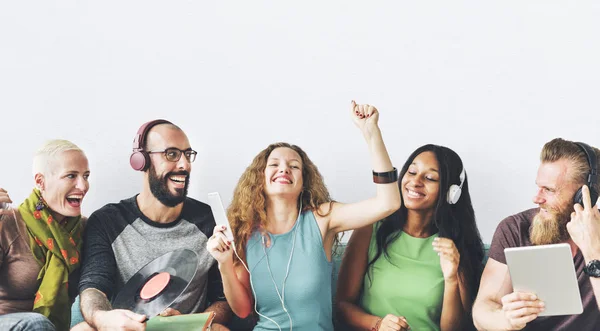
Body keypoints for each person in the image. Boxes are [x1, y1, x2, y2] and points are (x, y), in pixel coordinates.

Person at [207, 101, 402, 331]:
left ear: (304, 182)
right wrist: (224, 264)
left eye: (294, 166)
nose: (284, 169)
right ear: (260, 178)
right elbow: (242, 310)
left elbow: (388, 203)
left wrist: (372, 134)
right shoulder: (244, 231)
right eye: (274, 164)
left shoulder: (323, 219)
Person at [78, 120, 231, 331]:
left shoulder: (209, 221)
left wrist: (190, 324)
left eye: (187, 155)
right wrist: (103, 319)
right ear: (141, 161)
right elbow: (94, 286)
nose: (184, 165)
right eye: (171, 154)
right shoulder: (107, 221)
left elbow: (223, 299)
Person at [336, 144, 485, 331]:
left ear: (451, 193)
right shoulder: (370, 228)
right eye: (412, 172)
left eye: (430, 177)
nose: (415, 182)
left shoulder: (455, 247)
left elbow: (455, 329)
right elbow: (341, 307)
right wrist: (378, 324)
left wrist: (451, 278)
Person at [472, 138, 600, 330]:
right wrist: (506, 320)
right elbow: (482, 310)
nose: (536, 198)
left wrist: (593, 251)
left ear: (583, 195)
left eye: (549, 190)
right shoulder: (515, 229)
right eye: (539, 186)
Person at [0, 140, 92, 331]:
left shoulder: (86, 228)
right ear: (40, 181)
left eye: (86, 176)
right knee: (36, 323)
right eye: (71, 176)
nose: (83, 186)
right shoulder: (8, 223)